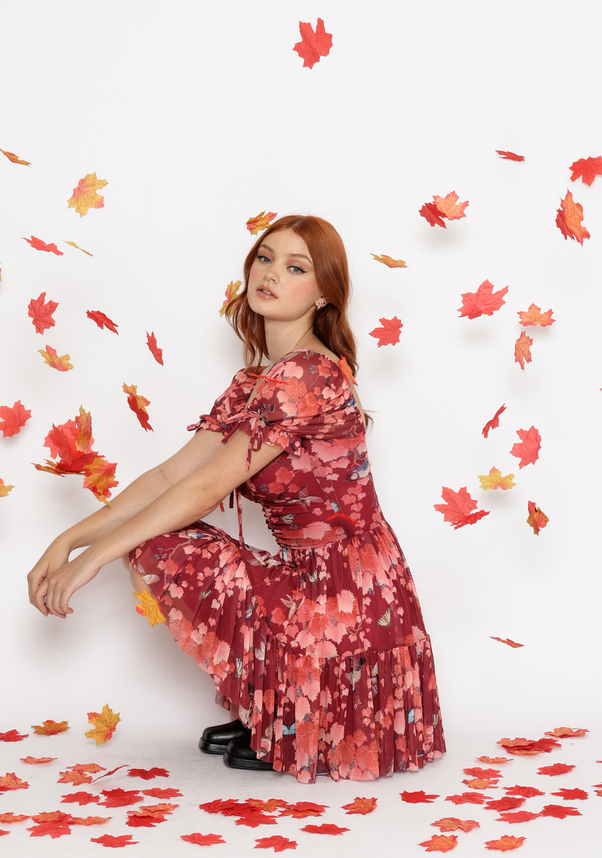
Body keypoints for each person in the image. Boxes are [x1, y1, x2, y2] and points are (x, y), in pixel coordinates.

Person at [27, 214, 445, 784]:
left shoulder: (310, 376)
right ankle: (273, 714)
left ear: (323, 293)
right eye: (265, 258)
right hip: (304, 576)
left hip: (349, 590)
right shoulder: (256, 381)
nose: (270, 274)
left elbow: (205, 489)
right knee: (160, 536)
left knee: (160, 535)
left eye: (295, 267)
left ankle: (302, 721)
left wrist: (93, 560)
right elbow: (175, 474)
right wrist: (69, 538)